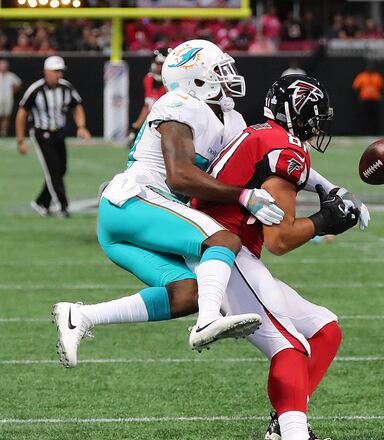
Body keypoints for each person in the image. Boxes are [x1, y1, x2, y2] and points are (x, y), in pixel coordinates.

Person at [51, 40, 285, 364]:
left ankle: (81, 316)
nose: (228, 76)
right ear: (196, 78)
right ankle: (206, 321)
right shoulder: (179, 102)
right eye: (219, 71)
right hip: (134, 200)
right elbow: (179, 176)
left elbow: (247, 174)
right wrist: (243, 196)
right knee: (222, 239)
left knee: (188, 293)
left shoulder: (231, 121)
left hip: (129, 223)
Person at [195, 74, 364, 440]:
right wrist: (325, 221)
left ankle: (283, 424)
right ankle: (292, 433)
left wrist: (331, 188)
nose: (315, 124)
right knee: (289, 346)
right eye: (310, 115)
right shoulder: (284, 149)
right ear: (293, 113)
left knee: (324, 330)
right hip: (225, 255)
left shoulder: (266, 136)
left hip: (226, 252)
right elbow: (279, 239)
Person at [16, 56, 91, 218]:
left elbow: (76, 106)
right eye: (56, 71)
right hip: (41, 133)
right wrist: (20, 140)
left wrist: (81, 126)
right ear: (46, 72)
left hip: (59, 132)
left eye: (61, 71)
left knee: (61, 168)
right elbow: (22, 113)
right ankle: (63, 205)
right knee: (53, 170)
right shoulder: (35, 89)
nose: (59, 75)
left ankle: (41, 202)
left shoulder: (66, 88)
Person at [128, 49, 167, 149]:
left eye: (161, 64)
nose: (159, 67)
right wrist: (135, 127)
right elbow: (148, 106)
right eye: (157, 63)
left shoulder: (171, 84)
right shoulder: (148, 79)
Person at [352, 62, 384, 135]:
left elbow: (381, 87)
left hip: (375, 100)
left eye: (371, 67)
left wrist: (380, 96)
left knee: (375, 117)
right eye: (368, 67)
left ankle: (375, 133)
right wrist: (358, 97)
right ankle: (363, 133)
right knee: (364, 117)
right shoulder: (361, 76)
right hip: (365, 100)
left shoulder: (377, 76)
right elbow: (355, 87)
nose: (370, 68)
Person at [0, 59, 21, 137]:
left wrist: (13, 91)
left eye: (4, 65)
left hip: (8, 99)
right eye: (1, 65)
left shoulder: (11, 75)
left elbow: (19, 84)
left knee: (6, 115)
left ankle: (3, 132)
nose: (3, 67)